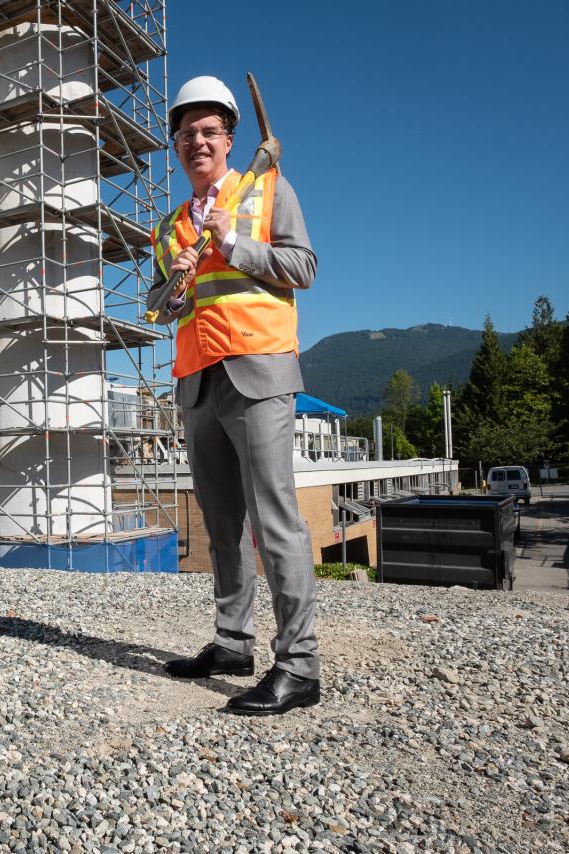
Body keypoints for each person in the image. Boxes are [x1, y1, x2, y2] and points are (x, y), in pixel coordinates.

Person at [147, 75, 321, 716]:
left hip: (258, 370)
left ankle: (300, 666)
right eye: (187, 132)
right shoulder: (169, 227)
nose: (198, 141)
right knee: (221, 526)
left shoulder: (269, 190)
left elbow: (304, 266)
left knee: (274, 521)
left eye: (209, 130)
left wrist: (233, 244)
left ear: (229, 138)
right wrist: (176, 286)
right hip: (198, 379)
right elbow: (161, 308)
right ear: (176, 145)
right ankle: (231, 642)